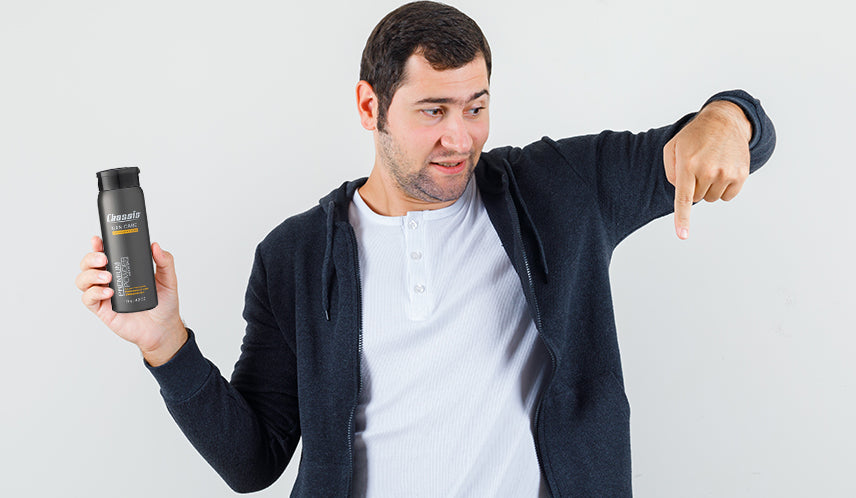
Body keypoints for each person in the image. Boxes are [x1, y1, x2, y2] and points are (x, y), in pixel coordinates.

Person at [75, 1, 776, 496]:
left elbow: (729, 135)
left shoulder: (556, 192)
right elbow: (254, 460)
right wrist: (164, 342)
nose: (461, 137)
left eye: (476, 106)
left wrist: (729, 117)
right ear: (367, 107)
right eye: (433, 111)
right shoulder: (293, 256)